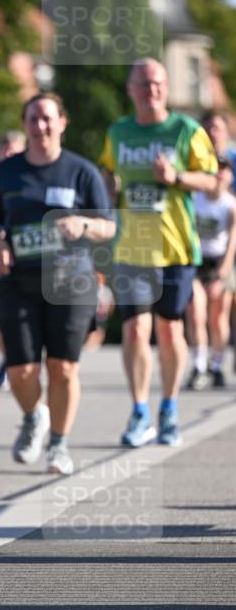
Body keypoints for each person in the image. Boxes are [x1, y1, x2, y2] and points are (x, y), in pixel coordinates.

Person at [0, 93, 115, 475]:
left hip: (71, 282)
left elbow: (109, 227)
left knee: (63, 368)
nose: (41, 126)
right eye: (33, 119)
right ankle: (34, 416)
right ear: (24, 124)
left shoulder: (81, 172)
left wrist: (83, 225)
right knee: (20, 371)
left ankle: (58, 443)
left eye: (47, 119)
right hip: (18, 282)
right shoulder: (6, 172)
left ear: (62, 122)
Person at [99, 58, 217, 448]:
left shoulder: (186, 130)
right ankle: (139, 411)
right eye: (144, 83)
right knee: (135, 329)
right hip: (133, 246)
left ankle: (168, 407)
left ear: (166, 88)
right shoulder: (118, 132)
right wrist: (106, 188)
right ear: (130, 89)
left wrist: (178, 177)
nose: (151, 90)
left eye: (158, 83)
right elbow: (107, 171)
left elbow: (214, 180)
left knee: (169, 330)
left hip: (176, 247)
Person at [184, 159, 236, 388]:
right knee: (195, 311)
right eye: (216, 172)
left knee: (218, 317)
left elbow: (233, 241)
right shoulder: (196, 200)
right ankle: (198, 365)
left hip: (220, 261)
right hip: (197, 261)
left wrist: (222, 274)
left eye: (224, 172)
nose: (219, 176)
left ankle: (217, 366)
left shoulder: (230, 205)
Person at [0, 130, 26, 389]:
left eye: (15, 149)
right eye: (6, 149)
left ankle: (20, 359)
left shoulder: (28, 178)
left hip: (23, 260)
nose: (10, 153)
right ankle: (8, 356)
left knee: (19, 317)